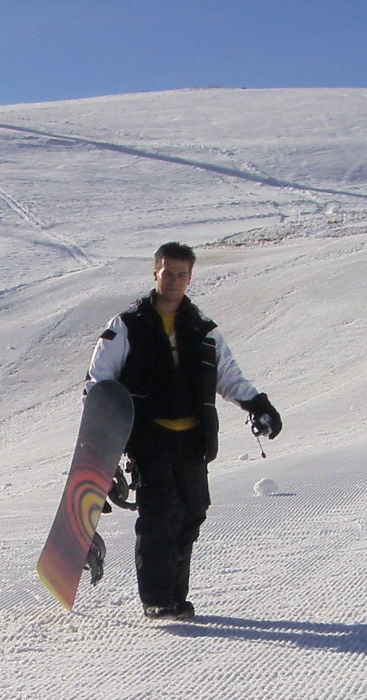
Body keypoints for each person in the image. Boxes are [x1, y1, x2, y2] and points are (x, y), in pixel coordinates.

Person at [85, 242, 280, 619]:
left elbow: (228, 376)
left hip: (193, 438)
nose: (173, 281)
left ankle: (176, 595)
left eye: (181, 274)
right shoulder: (127, 325)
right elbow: (98, 382)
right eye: (167, 272)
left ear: (190, 277)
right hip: (149, 436)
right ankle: (157, 599)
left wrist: (258, 404)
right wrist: (99, 441)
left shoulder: (201, 327)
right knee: (160, 514)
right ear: (155, 273)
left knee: (192, 511)